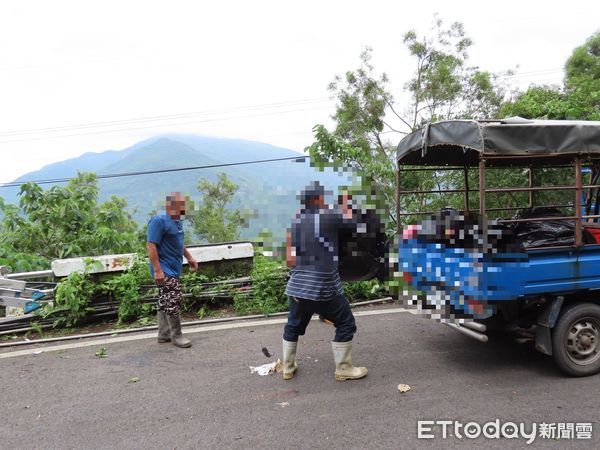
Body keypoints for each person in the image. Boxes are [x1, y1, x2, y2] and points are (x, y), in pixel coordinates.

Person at [282, 181, 368, 381]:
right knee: (346, 322)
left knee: (293, 325)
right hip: (324, 288)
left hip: (297, 288)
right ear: (318, 199)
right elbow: (356, 227)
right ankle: (344, 369)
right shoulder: (328, 216)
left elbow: (289, 261)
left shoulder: (295, 221)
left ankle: (287, 368)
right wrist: (346, 203)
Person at [147, 192, 198, 348]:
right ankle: (177, 336)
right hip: (164, 269)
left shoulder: (177, 222)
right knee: (173, 300)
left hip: (173, 268)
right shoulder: (159, 221)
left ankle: (164, 334)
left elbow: (178, 243)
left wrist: (189, 257)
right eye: (179, 205)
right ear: (170, 206)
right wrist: (157, 270)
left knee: (164, 300)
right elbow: (151, 245)